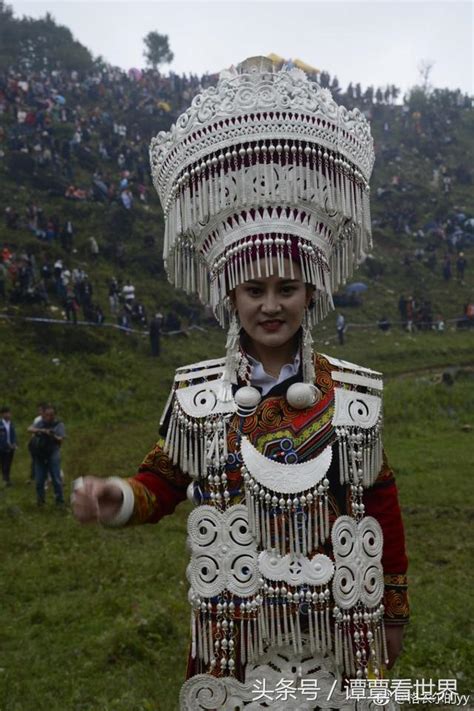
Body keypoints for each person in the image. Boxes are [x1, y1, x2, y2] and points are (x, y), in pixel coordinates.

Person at [72, 58, 408, 708]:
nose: (271, 304)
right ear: (231, 296)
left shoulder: (349, 394)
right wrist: (116, 497)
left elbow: (381, 498)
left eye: (288, 288)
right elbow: (162, 482)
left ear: (311, 295)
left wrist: (391, 607)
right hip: (231, 633)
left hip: (335, 626)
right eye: (255, 289)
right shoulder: (201, 396)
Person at [28, 405, 66, 506]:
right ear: (43, 415)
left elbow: (61, 439)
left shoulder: (59, 424)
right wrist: (41, 431)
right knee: (39, 479)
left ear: (54, 415)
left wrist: (53, 435)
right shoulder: (40, 423)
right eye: (47, 414)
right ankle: (40, 500)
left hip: (53, 452)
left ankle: (60, 501)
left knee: (56, 478)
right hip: (39, 454)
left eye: (51, 414)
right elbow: (30, 429)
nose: (49, 416)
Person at [0, 407, 17, 487]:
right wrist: (7, 444)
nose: (8, 415)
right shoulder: (1, 424)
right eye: (6, 413)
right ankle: (5, 479)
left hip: (11, 447)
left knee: (8, 463)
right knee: (4, 463)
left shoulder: (11, 424)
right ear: (2, 414)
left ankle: (6, 478)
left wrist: (14, 443)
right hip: (2, 447)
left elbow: (13, 435)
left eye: (9, 413)